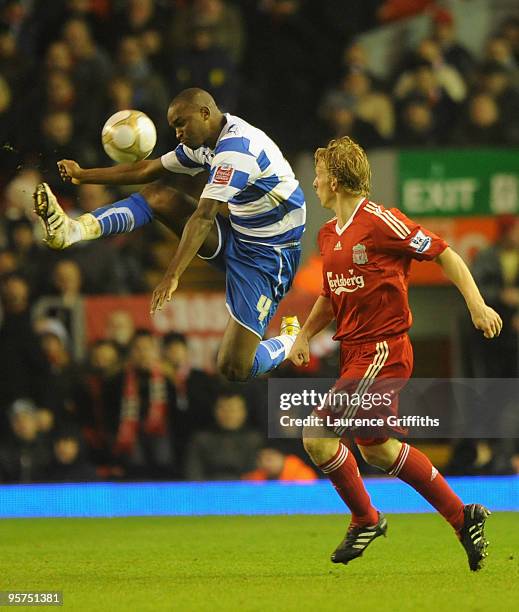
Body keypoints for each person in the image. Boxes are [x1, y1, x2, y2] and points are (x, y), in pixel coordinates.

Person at [288, 136, 502, 571]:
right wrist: (304, 336)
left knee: (316, 434)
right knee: (378, 451)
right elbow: (330, 297)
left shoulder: (382, 221)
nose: (314, 181)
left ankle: (365, 518)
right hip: (354, 353)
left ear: (338, 179)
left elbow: (447, 255)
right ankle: (464, 517)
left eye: (321, 173)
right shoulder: (329, 235)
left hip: (384, 351)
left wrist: (477, 304)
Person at [33, 88, 303, 382]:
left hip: (270, 256)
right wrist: (85, 175)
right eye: (174, 126)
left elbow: (203, 217)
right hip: (239, 233)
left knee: (234, 367)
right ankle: (74, 229)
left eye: (181, 123)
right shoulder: (204, 143)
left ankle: (289, 341)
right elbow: (148, 169)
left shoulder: (237, 150)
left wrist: (172, 274)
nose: (177, 133)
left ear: (204, 113)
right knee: (157, 196)